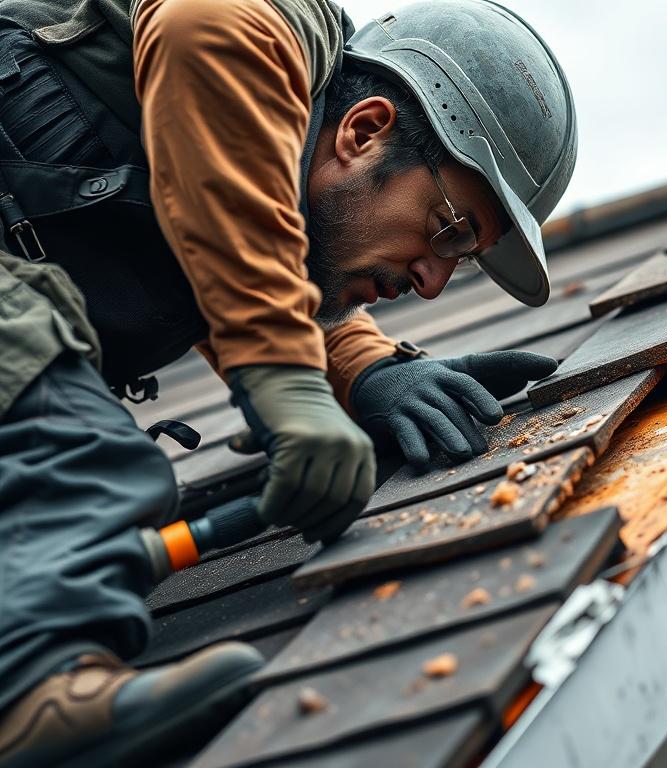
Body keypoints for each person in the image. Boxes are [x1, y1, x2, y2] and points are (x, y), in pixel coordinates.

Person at [0, 0, 577, 764]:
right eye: (449, 229)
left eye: (461, 258)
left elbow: (227, 216)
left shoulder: (238, 181)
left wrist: (363, 368)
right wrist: (288, 382)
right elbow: (205, 46)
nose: (434, 282)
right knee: (75, 449)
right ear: (363, 131)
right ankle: (29, 696)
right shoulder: (269, 22)